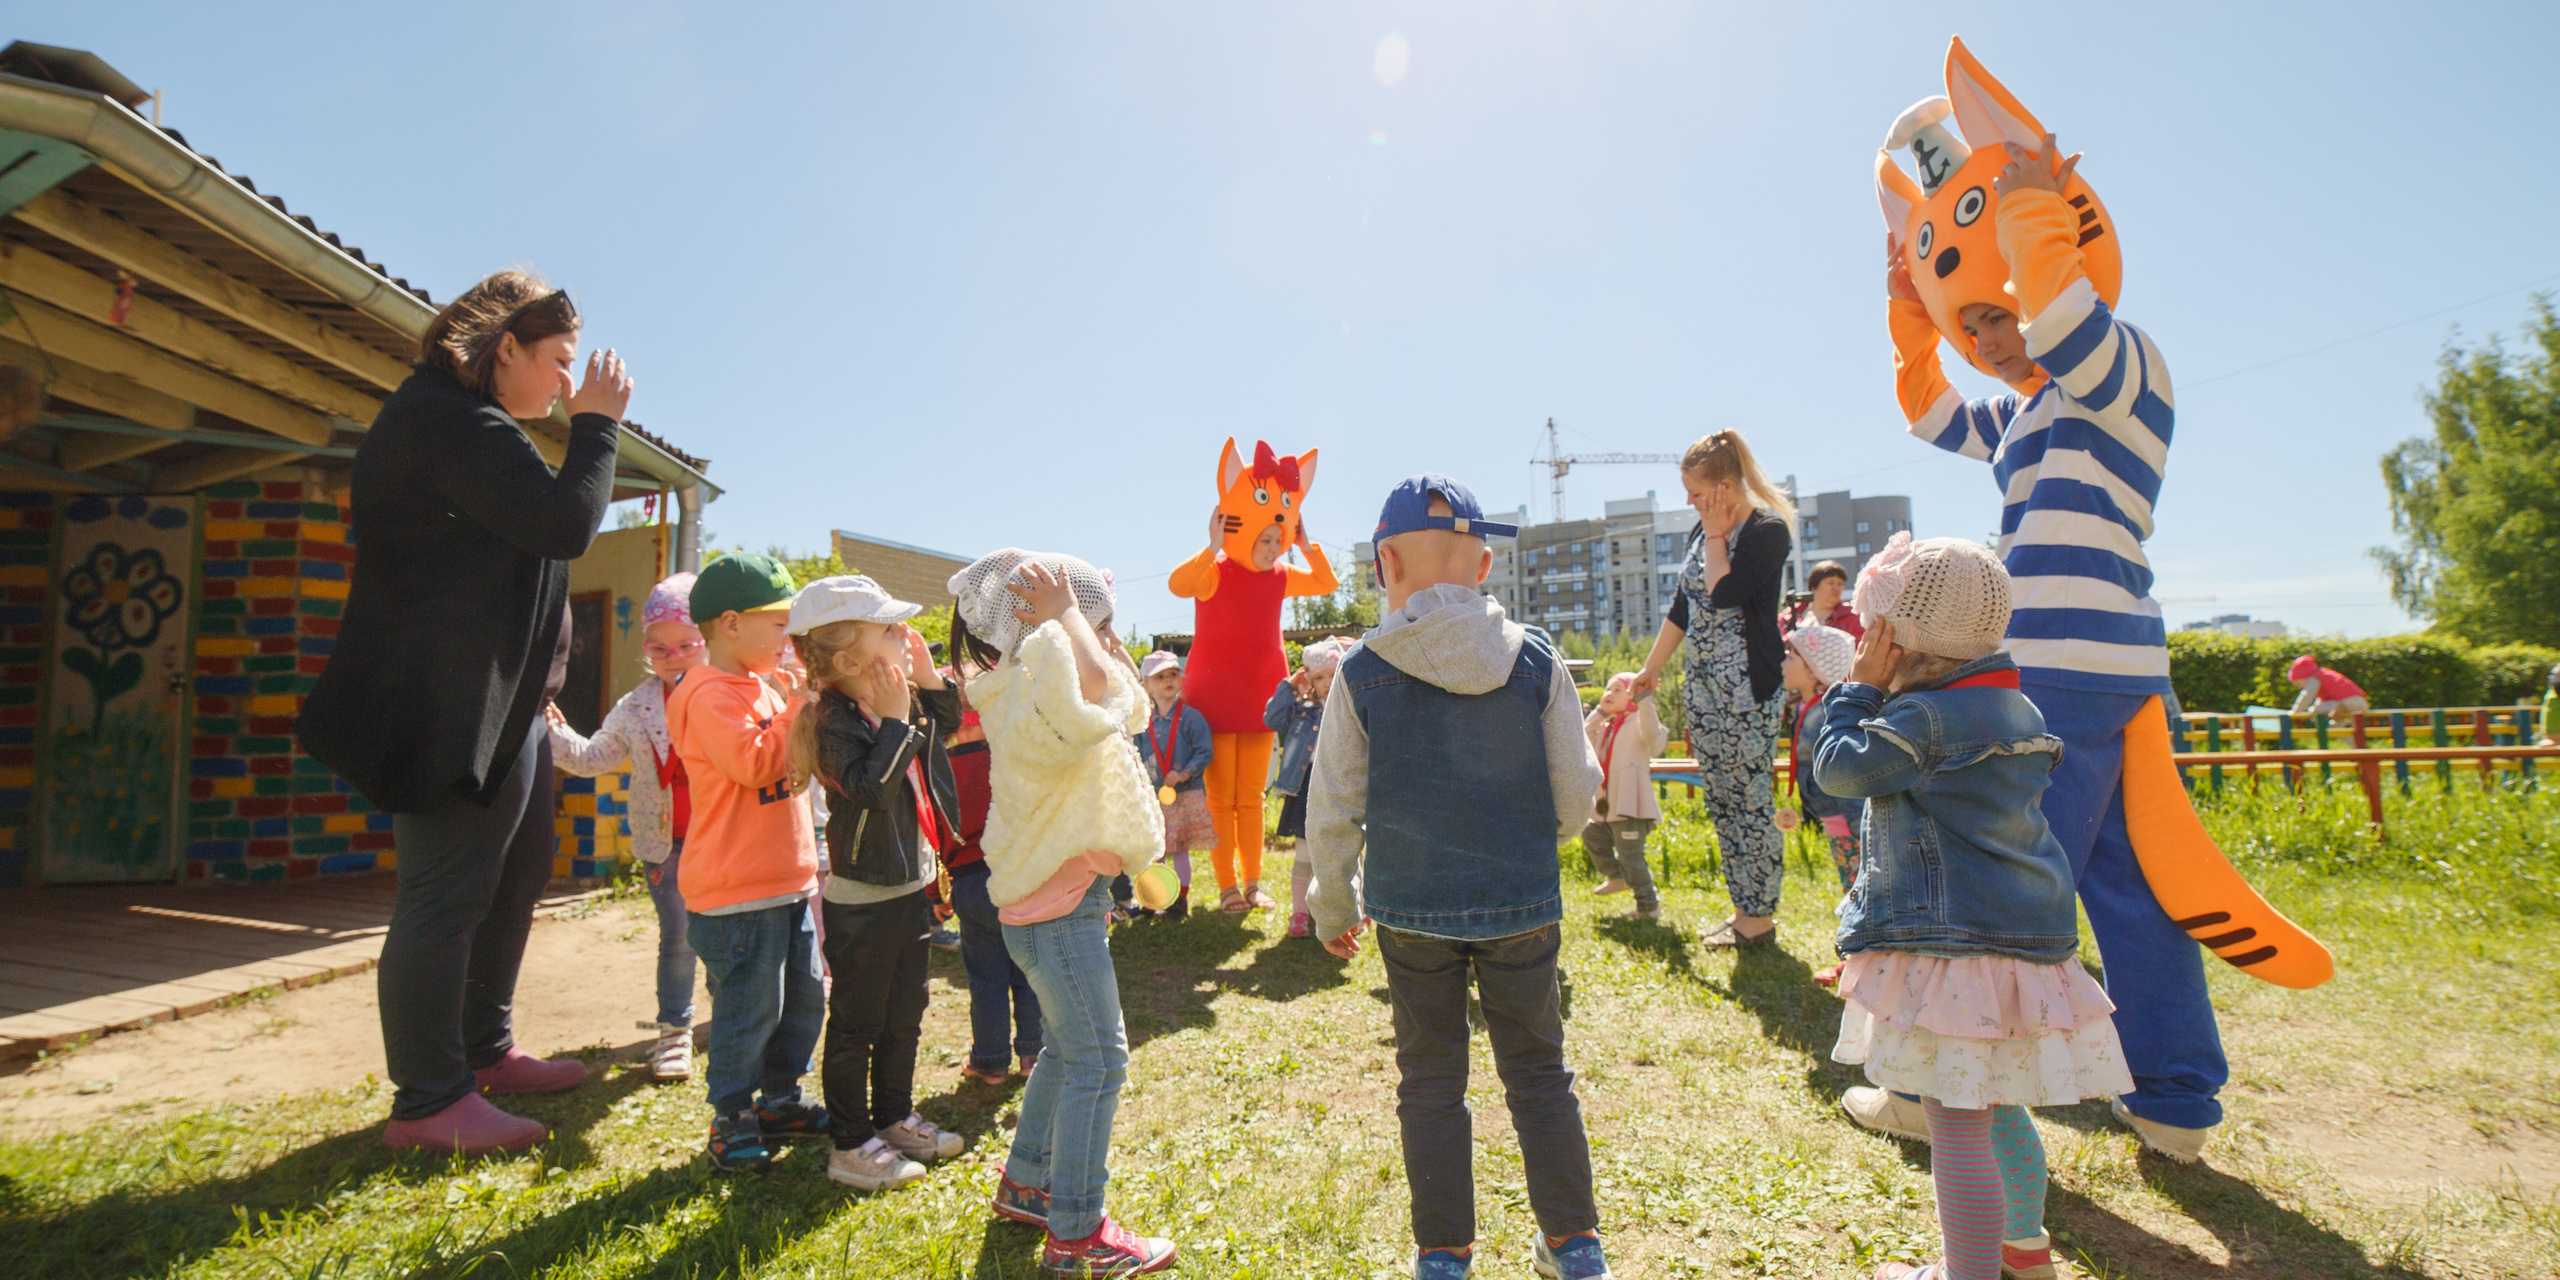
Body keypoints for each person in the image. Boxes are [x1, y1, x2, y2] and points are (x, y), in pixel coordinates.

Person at [1867, 39, 2334, 1163]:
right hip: (2112, 669)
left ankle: (1947, 1087)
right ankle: (2172, 1101)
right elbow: (1931, 419)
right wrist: (1911, 317)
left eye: (2003, 313)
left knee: (1998, 868)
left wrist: (2029, 205)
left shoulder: (2124, 364)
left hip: (2066, 671)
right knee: (2136, 881)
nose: (1993, 335)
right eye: (1975, 323)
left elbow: (2066, 322)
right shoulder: (2030, 416)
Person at [297, 271, 630, 1154]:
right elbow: (563, 525)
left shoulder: (475, 428)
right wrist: (597, 427)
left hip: (509, 705)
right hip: (442, 706)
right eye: (557, 361)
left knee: (512, 880)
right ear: (504, 346)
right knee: (444, 897)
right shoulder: (443, 419)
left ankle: (482, 1050)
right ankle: (429, 1099)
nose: (566, 381)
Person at [1307, 475, 1616, 1280]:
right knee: (1540, 1073)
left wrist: (1332, 898)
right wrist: (1538, 843)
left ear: (1385, 565)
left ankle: (1443, 1254)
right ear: (1484, 566)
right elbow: (1578, 788)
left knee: (1431, 1081)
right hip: (1524, 905)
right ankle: (1575, 1246)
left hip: (1410, 912)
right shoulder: (1537, 659)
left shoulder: (1360, 671)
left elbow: (1333, 803)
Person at [1813, 537, 2131, 1280]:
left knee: (1955, 1129)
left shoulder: (1924, 721)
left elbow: (1838, 770)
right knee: (1994, 1103)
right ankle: (2022, 1252)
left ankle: (1968, 1275)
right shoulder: (2012, 705)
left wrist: (1856, 689)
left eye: (1875, 627)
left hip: (1956, 949)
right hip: (2020, 943)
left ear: (1899, 635)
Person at [948, 549, 1178, 1276]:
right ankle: (1077, 1233)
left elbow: (1116, 703)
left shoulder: (1020, 677)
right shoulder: (1048, 658)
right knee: (1099, 1062)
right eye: (1098, 622)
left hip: (1048, 900)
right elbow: (1093, 702)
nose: (1105, 640)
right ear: (1048, 619)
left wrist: (1077, 624)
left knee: (1064, 1049)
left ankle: (1025, 1184)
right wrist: (1069, 617)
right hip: (1057, 904)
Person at [787, 575, 970, 1192]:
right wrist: (894, 721)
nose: (902, 633)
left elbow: (946, 722)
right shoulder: (832, 720)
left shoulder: (894, 699)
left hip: (909, 887)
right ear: (848, 659)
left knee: (905, 1013)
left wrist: (926, 680)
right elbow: (870, 787)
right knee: (857, 1024)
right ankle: (849, 1143)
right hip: (863, 901)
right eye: (888, 628)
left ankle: (892, 1118)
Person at [666, 552, 828, 1173]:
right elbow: (756, 764)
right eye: (778, 623)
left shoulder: (761, 687)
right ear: (729, 624)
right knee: (748, 1009)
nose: (786, 637)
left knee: (803, 1000)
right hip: (735, 892)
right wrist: (794, 708)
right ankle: (732, 1115)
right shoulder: (704, 692)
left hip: (787, 878)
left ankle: (781, 1100)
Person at [1630, 430, 1796, 950]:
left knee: (1749, 798)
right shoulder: (1702, 533)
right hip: (1702, 684)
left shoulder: (1767, 530)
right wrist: (1652, 668)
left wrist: (1718, 532)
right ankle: (1743, 907)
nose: (1690, 502)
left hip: (1747, 685)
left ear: (1724, 487)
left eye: (1697, 492)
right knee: (1722, 800)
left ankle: (1760, 916)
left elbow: (1724, 596)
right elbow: (1685, 606)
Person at [546, 572, 704, 1082]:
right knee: (679, 938)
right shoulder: (637, 706)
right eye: (659, 648)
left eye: (685, 645)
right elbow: (594, 758)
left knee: (731, 937)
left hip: (724, 840)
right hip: (666, 846)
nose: (672, 657)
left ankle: (736, 1022)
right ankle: (675, 1032)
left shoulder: (729, 693)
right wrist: (554, 731)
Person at [1167, 438, 1336, 914]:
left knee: (1252, 797)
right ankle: (1226, 887)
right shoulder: (1214, 570)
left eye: (1278, 539)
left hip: (1265, 697)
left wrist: (1306, 545)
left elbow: (1326, 582)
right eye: (1266, 539)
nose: (1273, 546)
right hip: (1214, 699)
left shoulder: (1282, 575)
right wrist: (1212, 546)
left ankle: (1255, 883)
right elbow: (1178, 585)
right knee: (1221, 798)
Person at [943, 663, 1044, 1086]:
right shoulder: (1008, 742)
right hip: (1016, 868)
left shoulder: (941, 753)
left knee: (985, 978)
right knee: (1026, 972)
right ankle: (1032, 1056)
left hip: (968, 874)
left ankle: (990, 1061)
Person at [1777, 625, 1859, 987]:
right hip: (1837, 818)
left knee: (1857, 893)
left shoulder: (1824, 713)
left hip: (1848, 821)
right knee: (1853, 890)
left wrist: (1858, 828)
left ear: (1813, 668)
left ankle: (1858, 963)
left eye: (1791, 656)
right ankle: (1859, 960)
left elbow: (1845, 773)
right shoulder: (1811, 708)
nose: (1784, 662)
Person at [1264, 637, 1344, 937]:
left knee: (1337, 854)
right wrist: (1289, 684)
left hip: (1336, 788)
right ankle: (1300, 913)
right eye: (1319, 677)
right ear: (1309, 679)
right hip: (1304, 788)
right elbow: (1271, 718)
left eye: (1333, 675)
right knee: (1304, 854)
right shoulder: (1301, 709)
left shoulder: (1347, 707)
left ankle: (1341, 913)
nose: (1326, 683)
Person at [1134, 650, 1215, 920]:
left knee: (1179, 849)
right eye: (1160, 677)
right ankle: (1156, 897)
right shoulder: (1142, 723)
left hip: (1185, 796)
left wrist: (1184, 773)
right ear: (1147, 686)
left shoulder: (1191, 718)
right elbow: (1135, 754)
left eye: (1173, 674)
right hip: (1154, 798)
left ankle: (1179, 901)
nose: (1168, 680)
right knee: (1156, 851)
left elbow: (1205, 751)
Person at [1582, 673, 1670, 920]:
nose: (1609, 694)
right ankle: (1617, 876)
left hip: (1630, 806)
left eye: (1618, 690)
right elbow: (1583, 736)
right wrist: (1600, 712)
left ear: (1632, 695)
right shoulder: (1606, 727)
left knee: (1631, 856)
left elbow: (1652, 733)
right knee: (1591, 834)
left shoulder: (1638, 724)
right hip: (1607, 808)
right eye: (1607, 689)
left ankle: (1648, 907)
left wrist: (1644, 701)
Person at [1781, 560, 1866, 641]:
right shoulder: (1788, 616)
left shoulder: (1853, 615)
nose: (1836, 588)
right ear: (1814, 586)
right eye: (1831, 583)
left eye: (1840, 584)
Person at [2286, 655, 2370, 723]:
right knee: (2335, 728)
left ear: (2304, 676)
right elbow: (2320, 700)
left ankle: (2337, 707)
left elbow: (2307, 695)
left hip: (2346, 702)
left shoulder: (2314, 678)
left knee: (2314, 709)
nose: (2300, 686)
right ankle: (2358, 744)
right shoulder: (2323, 674)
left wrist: (2295, 711)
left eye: (2298, 683)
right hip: (2360, 704)